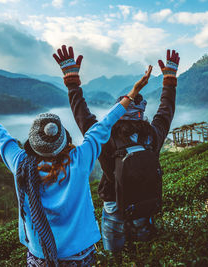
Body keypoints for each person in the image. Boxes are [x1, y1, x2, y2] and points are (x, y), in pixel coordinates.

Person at [0, 62, 152, 266]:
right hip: (80, 254)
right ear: (64, 139)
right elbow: (105, 125)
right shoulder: (79, 160)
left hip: (40, 255)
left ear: (32, 143)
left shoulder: (20, 163)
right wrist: (132, 93)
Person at [53, 46, 179, 253]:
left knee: (115, 256)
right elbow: (166, 111)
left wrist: (72, 83)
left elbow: (82, 116)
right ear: (142, 113)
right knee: (143, 251)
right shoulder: (152, 135)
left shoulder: (106, 137)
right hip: (143, 203)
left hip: (114, 203)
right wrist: (169, 81)